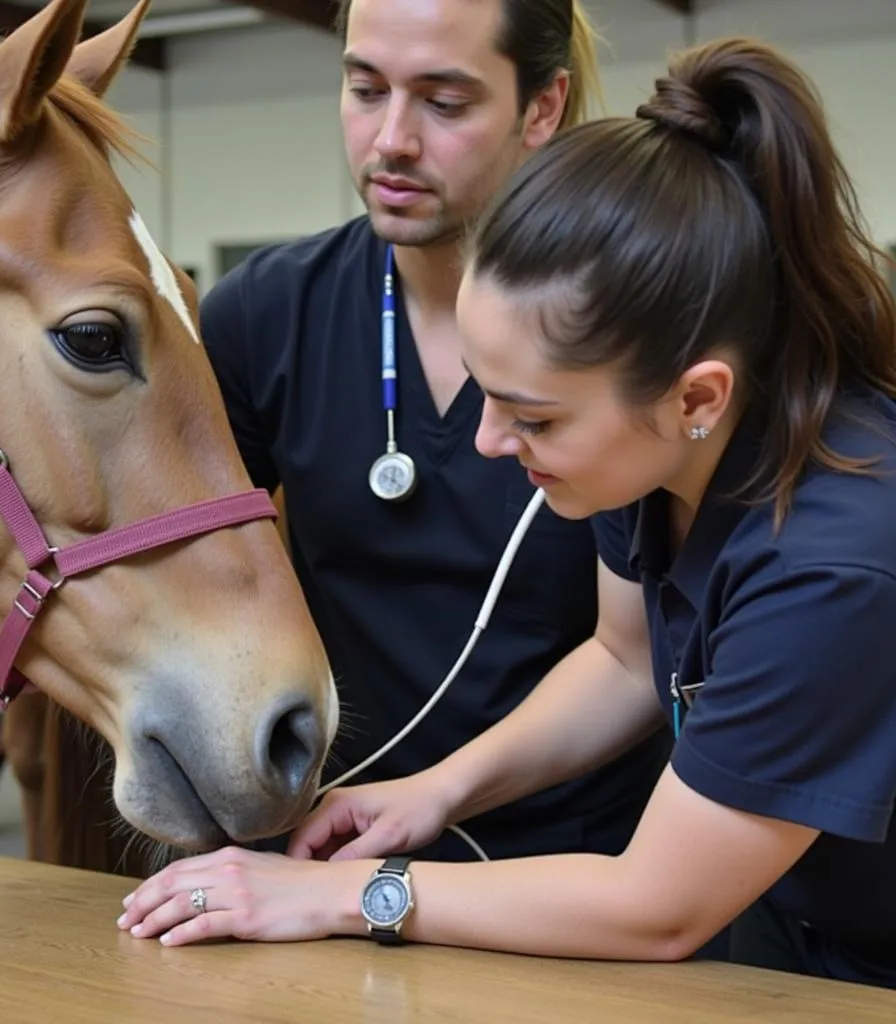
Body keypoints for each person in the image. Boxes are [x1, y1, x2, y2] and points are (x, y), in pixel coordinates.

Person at [118, 35, 896, 990]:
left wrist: (334, 898)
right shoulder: (657, 463)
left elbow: (657, 906)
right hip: (792, 904)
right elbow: (628, 658)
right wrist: (432, 793)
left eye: (533, 417)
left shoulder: (832, 561)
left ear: (697, 397)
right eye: (487, 393)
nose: (488, 441)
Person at [192, 0, 672, 868]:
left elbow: (631, 659)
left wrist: (440, 791)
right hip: (325, 845)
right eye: (365, 89)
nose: (391, 141)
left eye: (444, 103)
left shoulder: (626, 328)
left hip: (574, 870)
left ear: (542, 106)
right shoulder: (262, 317)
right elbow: (190, 584)